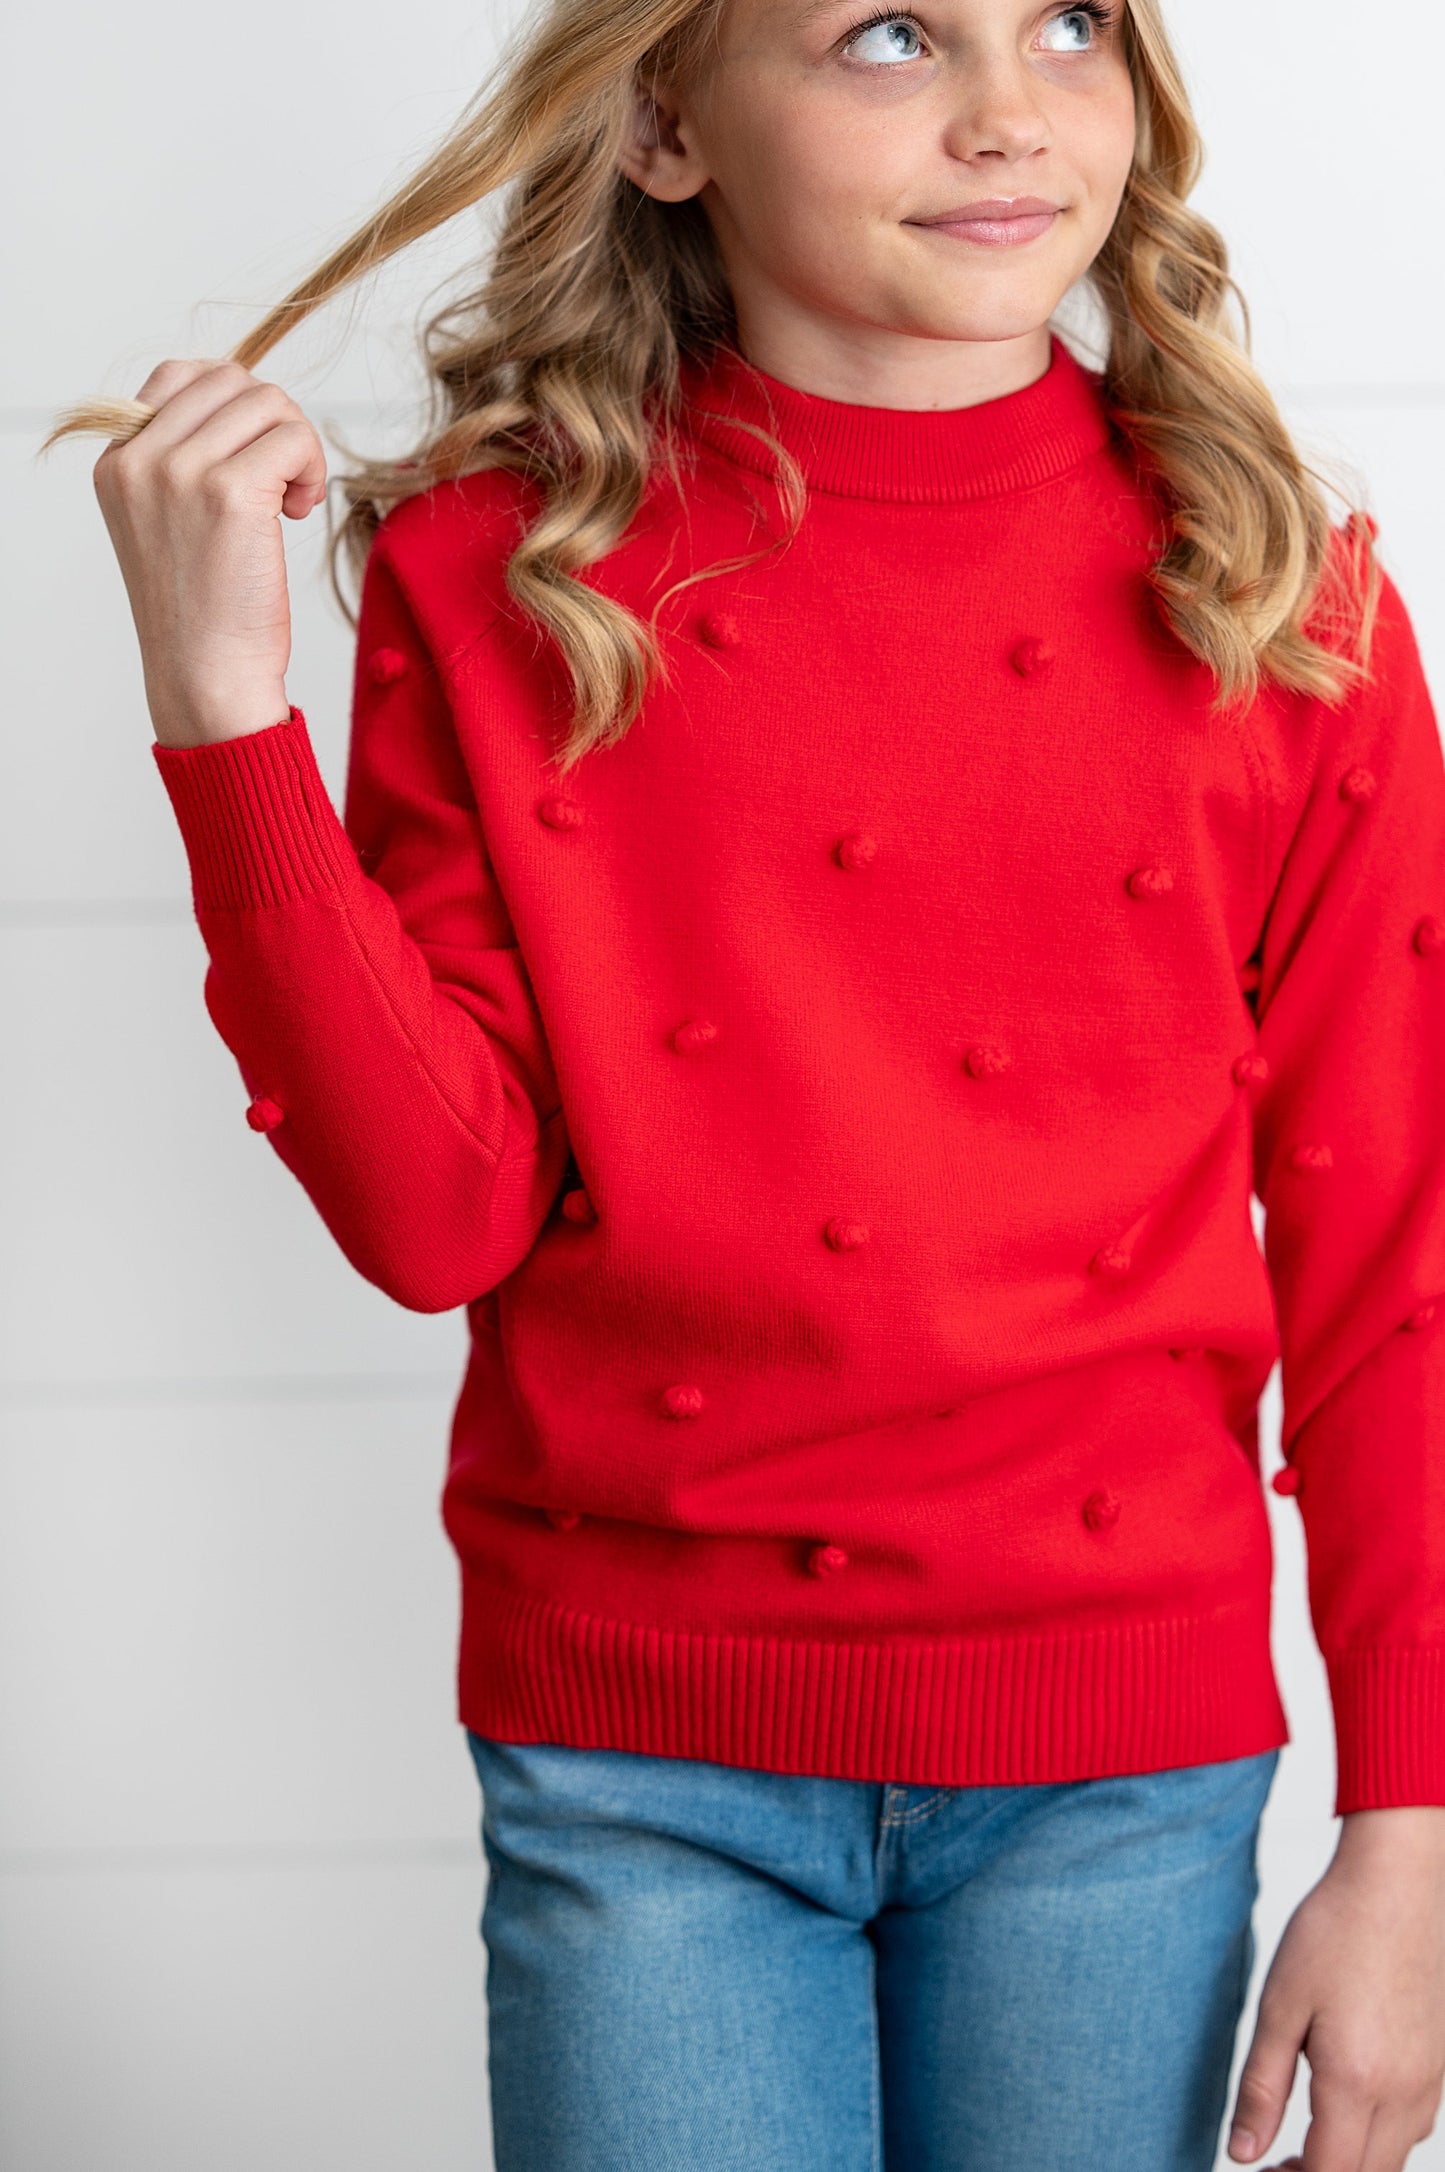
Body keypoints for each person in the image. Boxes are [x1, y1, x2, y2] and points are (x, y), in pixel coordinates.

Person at [41, 0, 1445, 2166]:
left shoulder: (1286, 599)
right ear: (665, 118)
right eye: (889, 33)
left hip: (1121, 1774)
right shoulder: (491, 575)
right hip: (640, 1770)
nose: (1005, 107)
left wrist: (1412, 1840)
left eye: (1067, 21)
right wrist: (225, 711)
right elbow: (437, 1219)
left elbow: (1397, 1269)